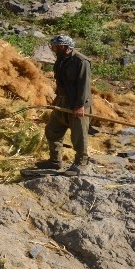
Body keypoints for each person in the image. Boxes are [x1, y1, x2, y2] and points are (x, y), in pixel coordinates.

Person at [41, 34, 92, 176]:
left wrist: (80, 105)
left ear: (63, 46)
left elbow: (84, 86)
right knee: (52, 130)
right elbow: (61, 82)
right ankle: (55, 161)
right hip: (63, 101)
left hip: (78, 103)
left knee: (79, 136)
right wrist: (57, 98)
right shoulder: (60, 59)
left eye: (55, 46)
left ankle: (81, 163)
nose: (53, 48)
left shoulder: (81, 62)